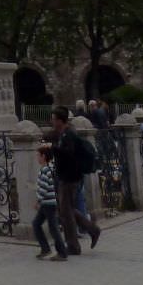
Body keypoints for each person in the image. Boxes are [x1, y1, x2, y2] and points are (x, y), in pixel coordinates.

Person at [49, 106, 100, 254]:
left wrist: (54, 149)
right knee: (67, 210)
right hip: (66, 176)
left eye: (54, 119)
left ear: (60, 120)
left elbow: (69, 155)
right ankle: (92, 229)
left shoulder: (69, 134)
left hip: (69, 178)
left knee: (65, 213)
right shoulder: (64, 133)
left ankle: (73, 246)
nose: (52, 121)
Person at [33, 144, 66, 261]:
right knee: (37, 224)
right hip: (48, 203)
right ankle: (46, 249)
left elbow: (44, 187)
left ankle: (61, 252)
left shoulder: (45, 170)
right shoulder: (48, 168)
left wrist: (38, 201)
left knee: (53, 229)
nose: (37, 157)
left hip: (48, 203)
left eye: (38, 155)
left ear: (43, 156)